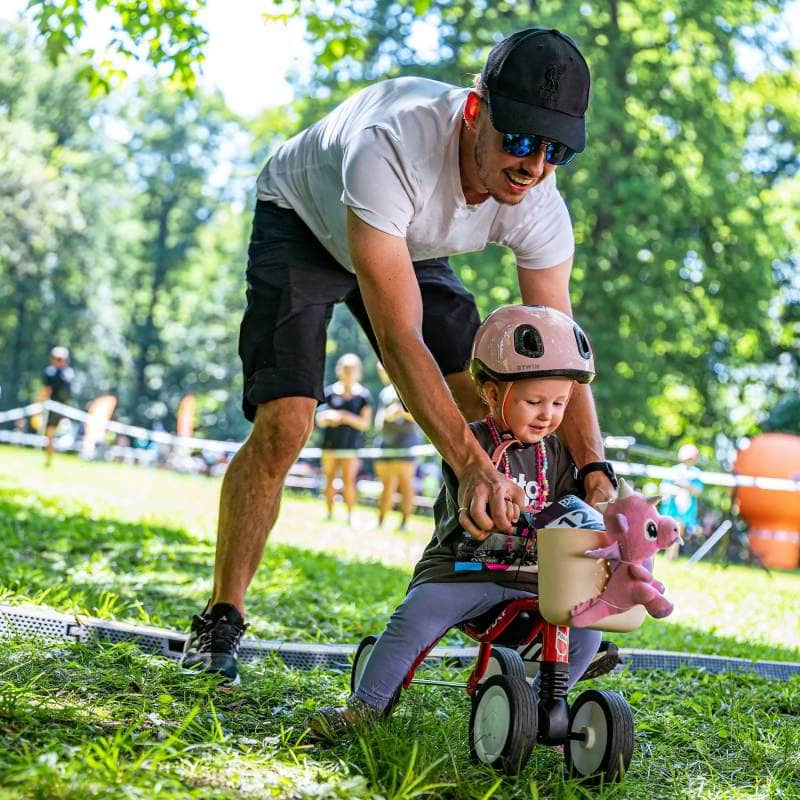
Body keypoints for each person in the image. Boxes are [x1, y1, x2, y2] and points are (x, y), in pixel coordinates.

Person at [182, 27, 618, 684]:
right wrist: (472, 467)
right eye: (520, 140)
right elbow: (398, 340)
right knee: (288, 421)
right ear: (476, 112)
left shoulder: (539, 204)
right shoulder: (393, 144)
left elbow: (560, 358)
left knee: (495, 401)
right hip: (304, 225)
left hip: (409, 243)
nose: (534, 166)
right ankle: (221, 617)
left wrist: (595, 469)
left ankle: (520, 596)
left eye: (556, 150)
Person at [310, 306, 617, 733]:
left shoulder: (560, 455)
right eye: (534, 401)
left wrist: (608, 518)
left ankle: (537, 705)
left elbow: (579, 514)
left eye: (559, 403)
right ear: (492, 394)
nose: (547, 414)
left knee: (589, 629)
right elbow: (474, 505)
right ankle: (365, 706)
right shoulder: (471, 444)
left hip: (534, 578)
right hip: (464, 570)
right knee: (413, 620)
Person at [315, 353, 373, 524]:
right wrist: (328, 418)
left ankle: (349, 515)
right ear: (339, 370)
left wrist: (343, 416)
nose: (349, 372)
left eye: (352, 369)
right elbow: (319, 418)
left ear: (358, 372)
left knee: (349, 481)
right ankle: (329, 513)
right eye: (346, 368)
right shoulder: (329, 393)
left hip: (351, 447)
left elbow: (365, 424)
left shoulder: (363, 396)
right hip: (330, 445)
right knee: (329, 479)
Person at [373, 362, 423, 530]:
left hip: (406, 443)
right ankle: (380, 522)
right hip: (386, 442)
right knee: (386, 484)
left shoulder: (409, 387)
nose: (382, 373)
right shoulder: (385, 391)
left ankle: (404, 523)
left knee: (405, 485)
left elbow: (421, 418)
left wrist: (401, 413)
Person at [660, 443, 704, 558]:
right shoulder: (674, 470)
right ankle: (668, 553)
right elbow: (663, 487)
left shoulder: (696, 473)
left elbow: (698, 491)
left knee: (678, 529)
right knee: (669, 529)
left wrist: (687, 486)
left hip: (686, 508)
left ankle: (671, 555)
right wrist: (675, 490)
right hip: (671, 506)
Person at [36, 346, 75, 467]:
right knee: (50, 434)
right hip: (52, 409)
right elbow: (46, 390)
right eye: (58, 359)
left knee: (59, 432)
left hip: (65, 410)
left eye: (63, 359)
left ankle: (53, 455)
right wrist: (38, 405)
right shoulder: (50, 372)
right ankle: (49, 459)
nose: (61, 361)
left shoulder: (69, 373)